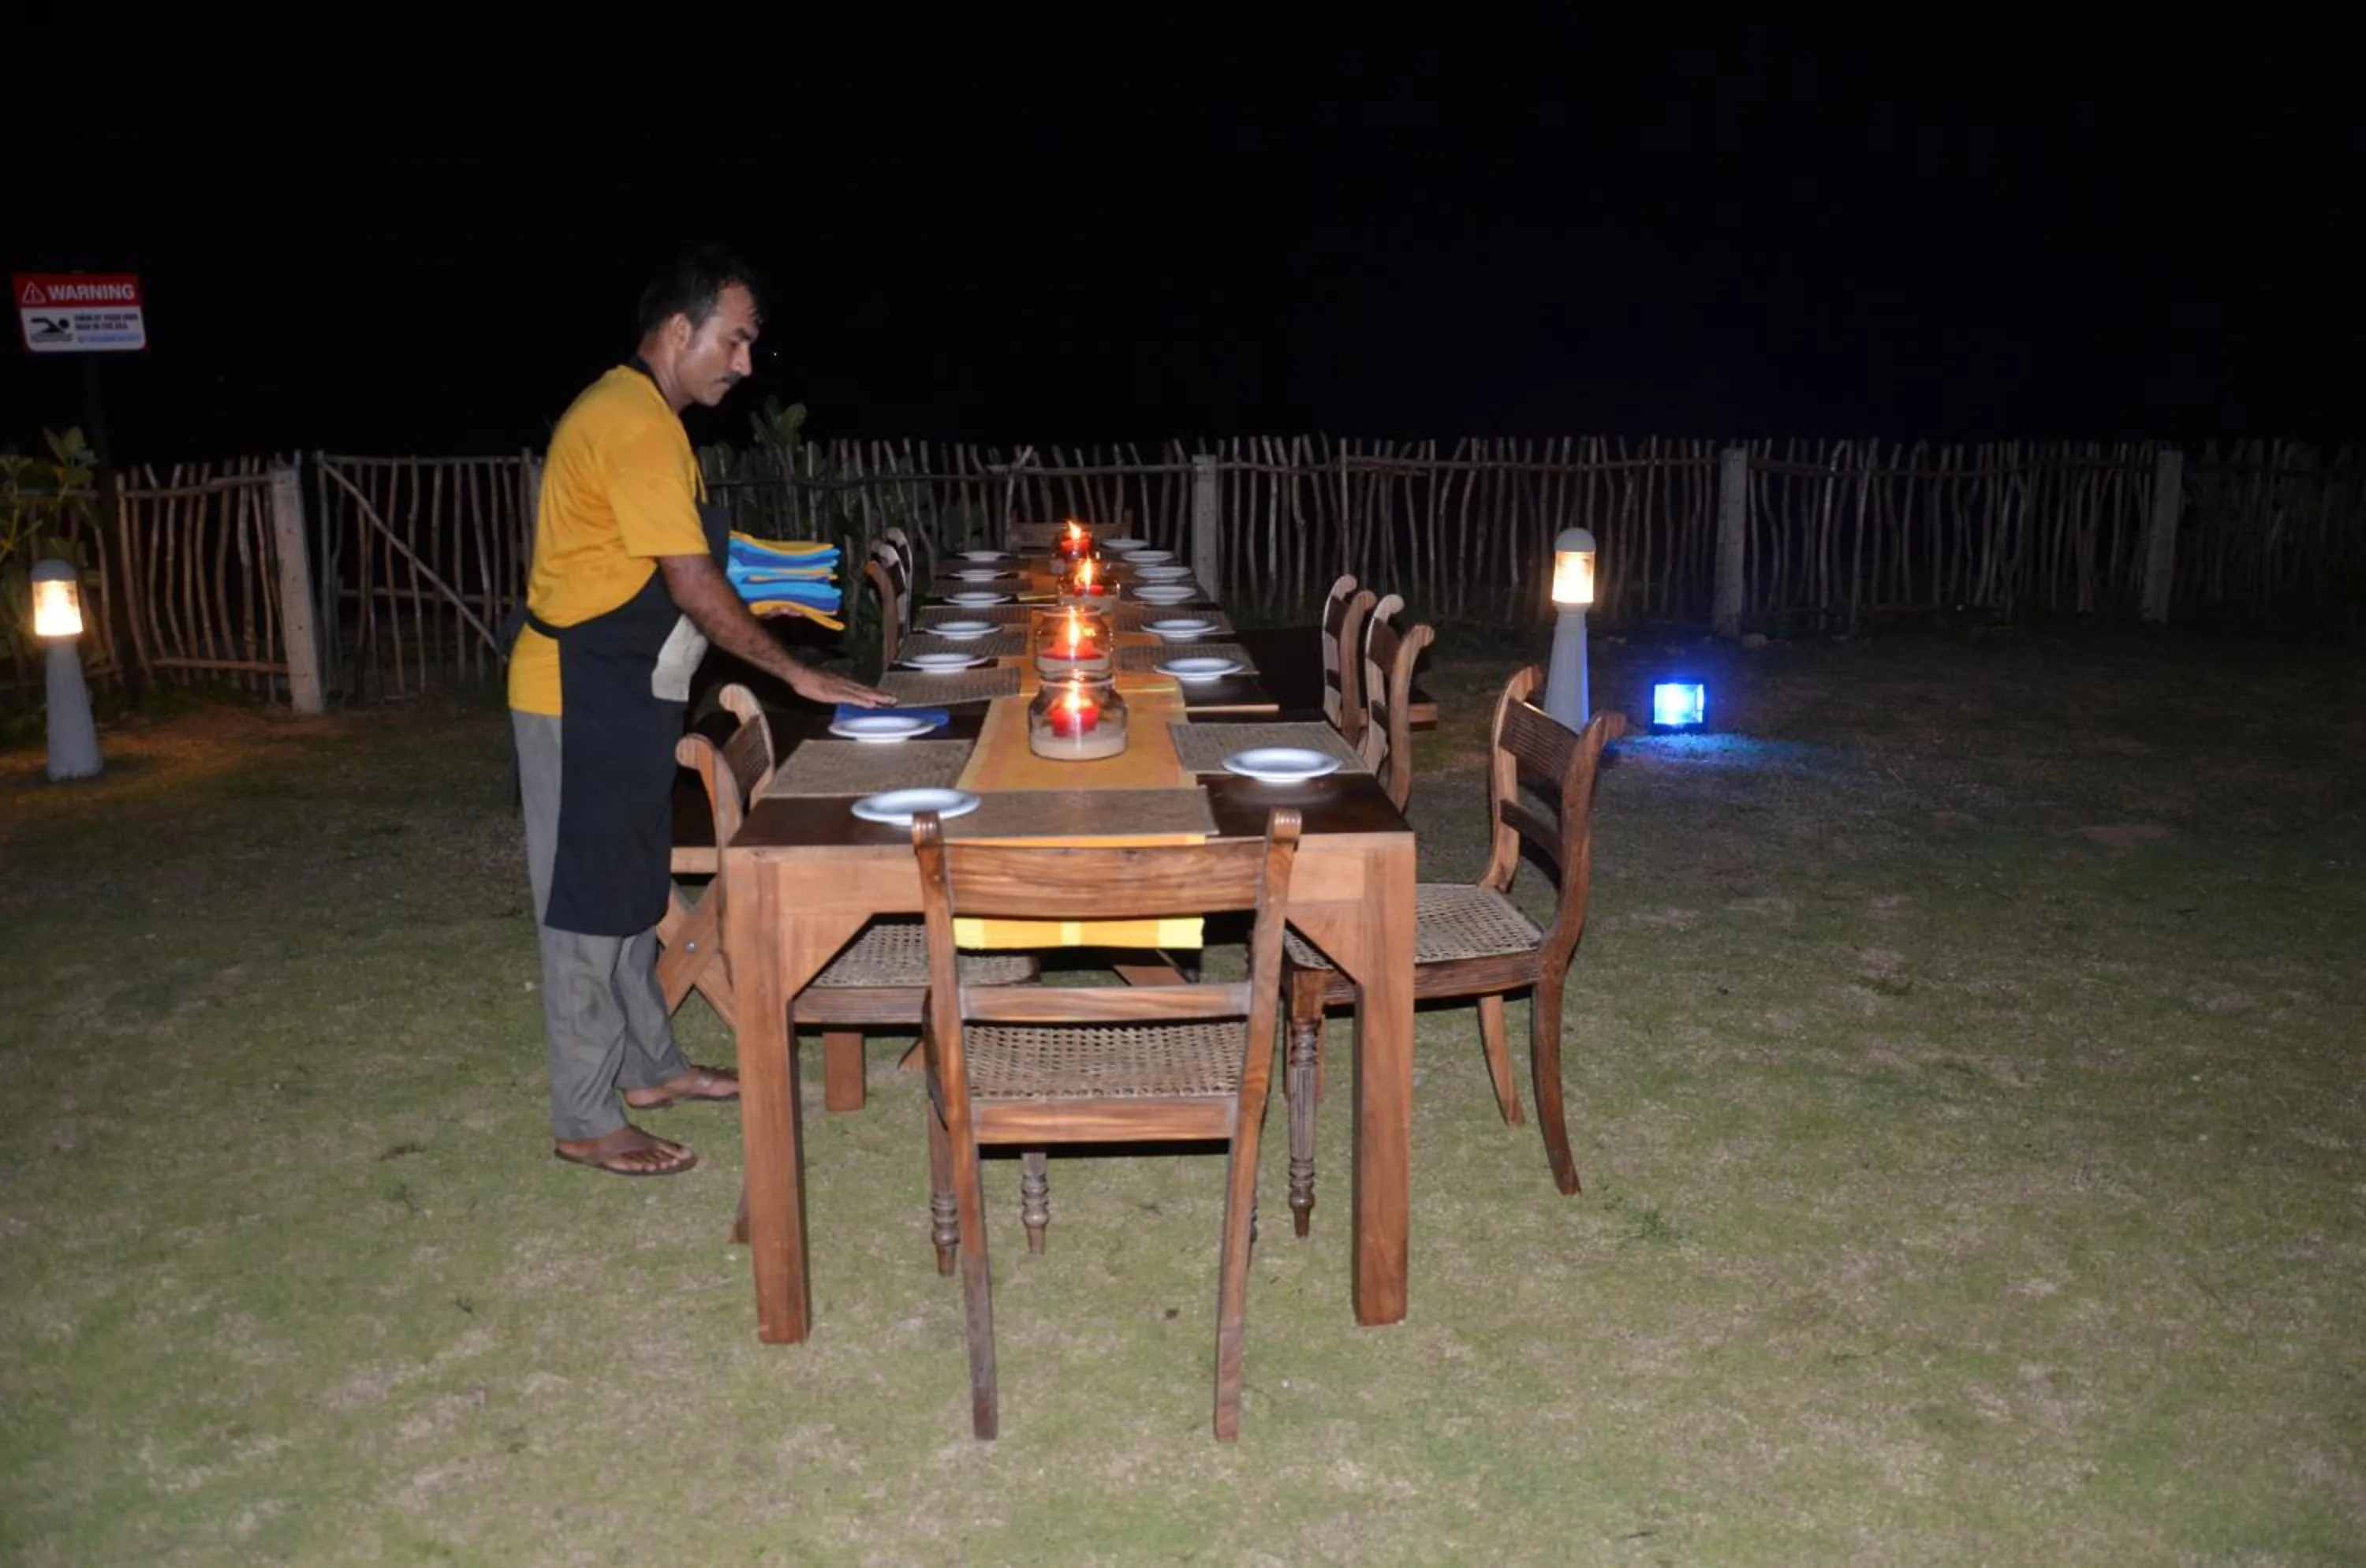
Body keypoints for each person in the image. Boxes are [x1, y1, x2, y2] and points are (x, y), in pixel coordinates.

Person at [508, 247, 894, 1178]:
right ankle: (587, 1112)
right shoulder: (632, 423)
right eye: (736, 340)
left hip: (625, 684)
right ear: (680, 330)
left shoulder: (649, 419)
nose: (746, 362)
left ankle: (651, 1068)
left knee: (633, 891)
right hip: (576, 689)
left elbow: (675, 566)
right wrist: (794, 673)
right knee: (585, 907)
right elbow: (692, 582)